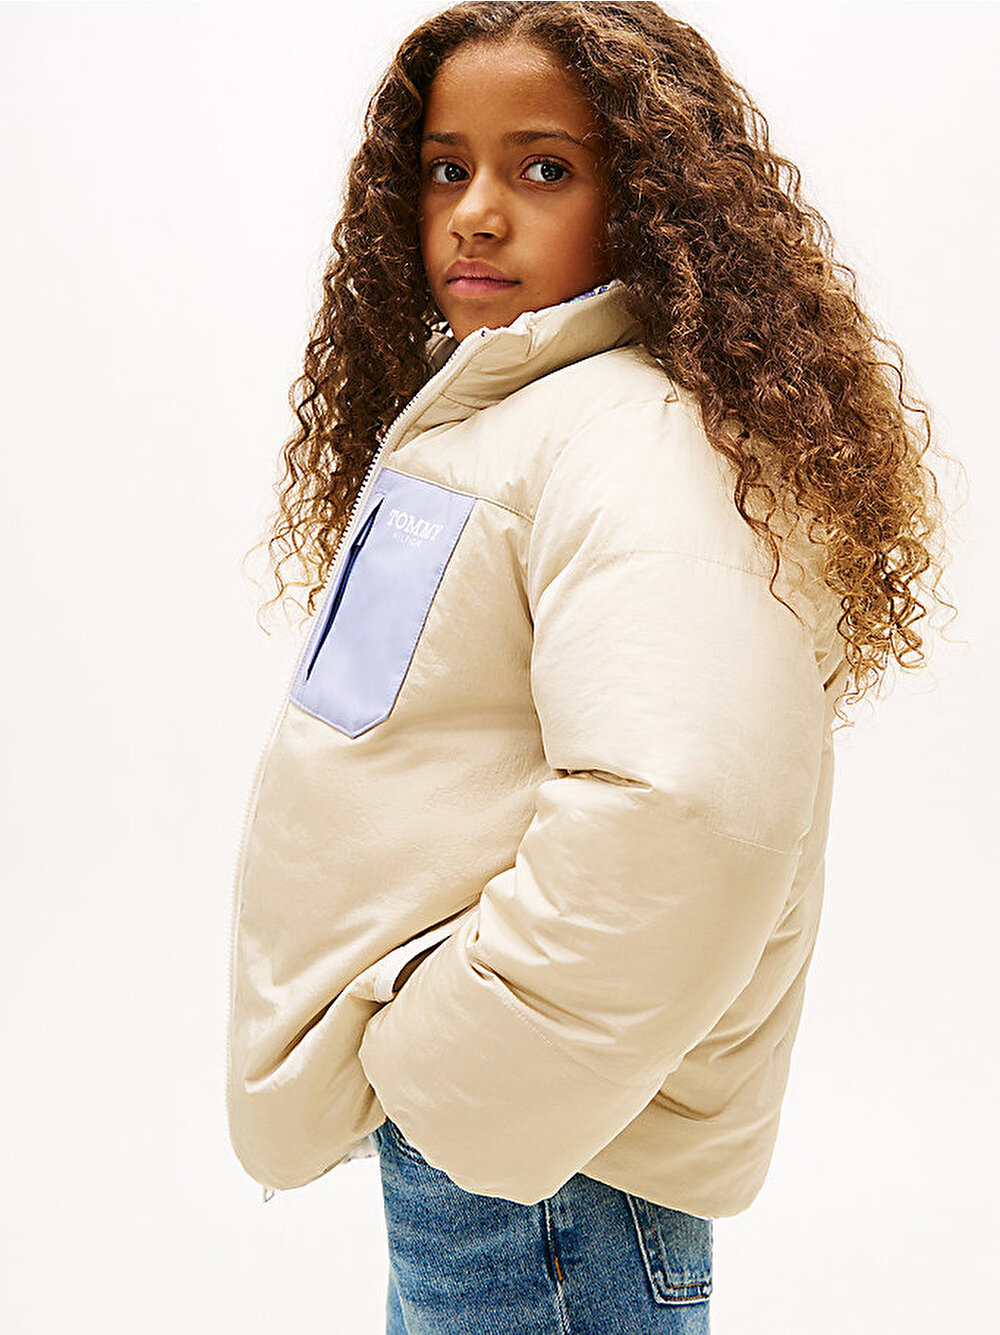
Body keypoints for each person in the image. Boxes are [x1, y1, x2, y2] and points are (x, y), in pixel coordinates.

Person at [225, 3, 954, 1331]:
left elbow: (686, 805)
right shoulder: (510, 423)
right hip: (505, 1144)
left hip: (554, 1166)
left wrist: (456, 1078)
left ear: (651, 203)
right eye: (447, 167)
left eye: (544, 168)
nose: (476, 212)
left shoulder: (638, 438)